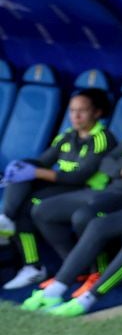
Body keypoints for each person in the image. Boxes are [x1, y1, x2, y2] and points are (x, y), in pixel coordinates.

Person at [17, 84, 122, 311]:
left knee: (88, 217)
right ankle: (67, 279)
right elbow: (108, 162)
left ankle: (92, 277)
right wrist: (121, 169)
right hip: (113, 188)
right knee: (42, 210)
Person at [0, 88, 115, 291]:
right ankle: (30, 260)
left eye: (82, 111)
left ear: (97, 113)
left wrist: (34, 172)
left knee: (31, 202)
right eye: (72, 111)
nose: (76, 116)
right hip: (62, 185)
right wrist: (22, 167)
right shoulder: (67, 135)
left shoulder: (102, 138)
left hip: (86, 189)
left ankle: (70, 265)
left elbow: (80, 176)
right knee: (23, 173)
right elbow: (43, 161)